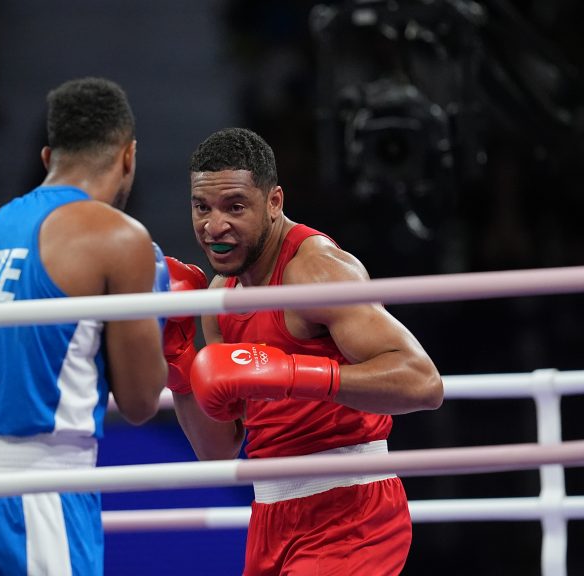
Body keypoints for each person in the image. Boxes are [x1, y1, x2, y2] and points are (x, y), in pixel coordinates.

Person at [0, 77, 169, 576]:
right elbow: (139, 403)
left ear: (48, 157)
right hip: (40, 500)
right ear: (128, 156)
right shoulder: (119, 237)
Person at [164, 127, 444, 575]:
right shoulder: (221, 295)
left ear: (274, 201)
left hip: (350, 512)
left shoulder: (315, 271)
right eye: (202, 207)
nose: (214, 226)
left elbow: (423, 383)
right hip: (270, 516)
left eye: (235, 207)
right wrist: (176, 364)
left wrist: (295, 373)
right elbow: (217, 448)